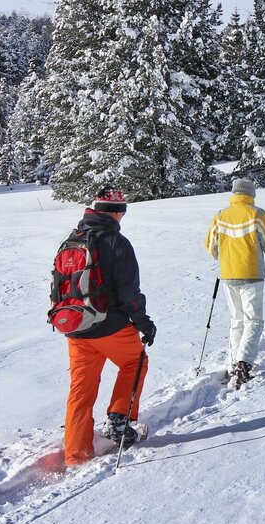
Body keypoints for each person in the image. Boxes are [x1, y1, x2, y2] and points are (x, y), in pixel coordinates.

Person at [62, 187, 156, 466]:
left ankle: (75, 454)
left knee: (81, 388)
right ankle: (119, 421)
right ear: (116, 212)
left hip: (76, 326)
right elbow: (129, 294)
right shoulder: (117, 241)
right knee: (135, 362)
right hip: (109, 325)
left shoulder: (73, 238)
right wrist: (144, 324)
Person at [205, 178, 265, 388]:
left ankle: (234, 362)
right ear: (251, 194)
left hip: (228, 274)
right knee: (254, 321)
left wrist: (225, 258)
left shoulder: (220, 215)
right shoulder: (257, 214)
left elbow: (210, 246)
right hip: (251, 274)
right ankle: (244, 363)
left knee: (237, 320)